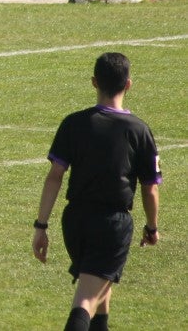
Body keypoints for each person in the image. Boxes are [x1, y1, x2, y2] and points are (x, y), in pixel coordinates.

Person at [31, 52, 161, 331]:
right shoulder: (138, 130)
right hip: (111, 225)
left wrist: (41, 225)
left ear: (93, 82)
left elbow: (54, 177)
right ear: (128, 84)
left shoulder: (74, 123)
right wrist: (152, 227)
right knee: (87, 299)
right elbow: (150, 189)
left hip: (75, 221)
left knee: (102, 290)